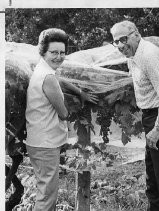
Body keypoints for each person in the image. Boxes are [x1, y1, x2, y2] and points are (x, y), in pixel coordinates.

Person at [110, 21, 159, 211]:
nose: (120, 45)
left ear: (136, 34)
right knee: (154, 184)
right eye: (116, 41)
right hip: (153, 118)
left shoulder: (148, 55)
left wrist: (158, 128)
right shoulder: (133, 55)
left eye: (123, 39)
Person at [25, 28, 98, 211]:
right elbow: (64, 113)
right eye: (54, 52)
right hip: (45, 143)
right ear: (43, 51)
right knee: (47, 199)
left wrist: (79, 92)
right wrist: (77, 107)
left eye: (62, 52)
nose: (59, 56)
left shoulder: (44, 69)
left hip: (40, 140)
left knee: (46, 193)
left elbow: (60, 81)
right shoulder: (47, 77)